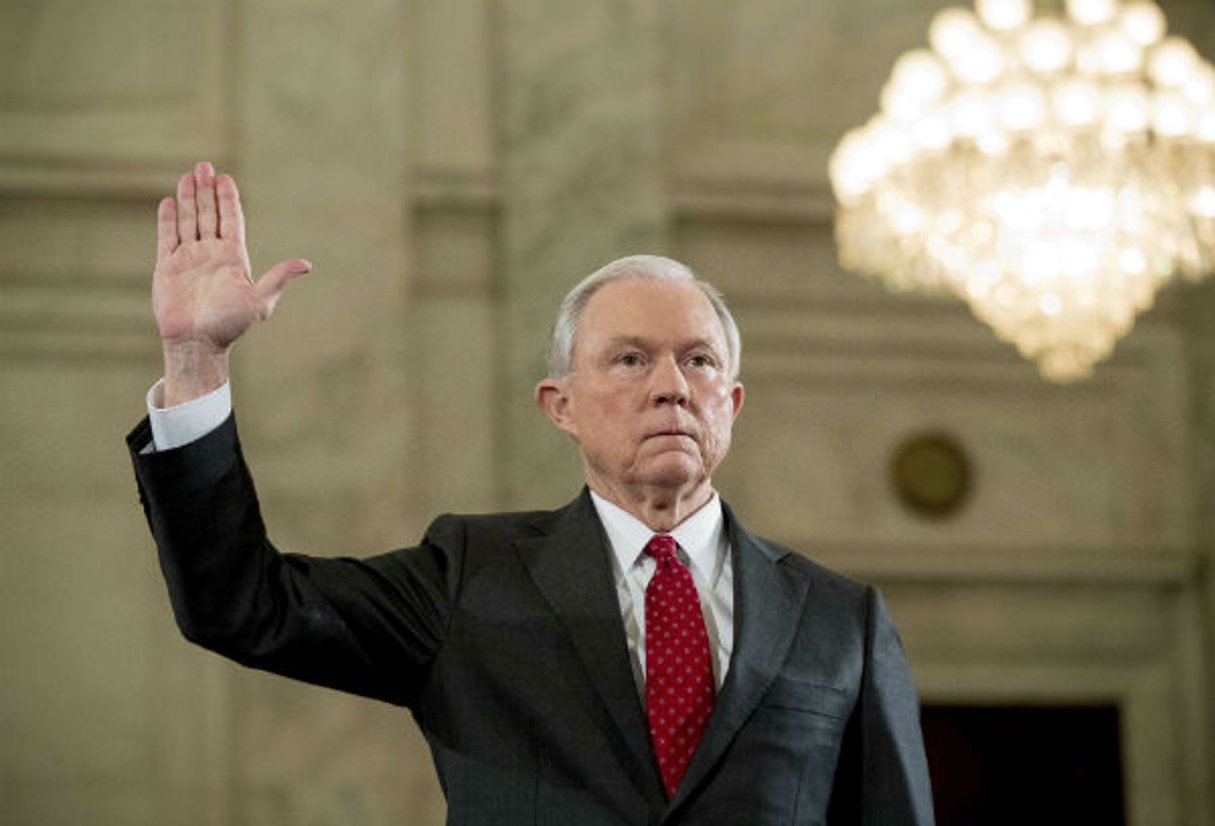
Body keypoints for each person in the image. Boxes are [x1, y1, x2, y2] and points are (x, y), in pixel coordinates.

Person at [128, 162, 935, 824]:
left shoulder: (841, 622)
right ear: (562, 406)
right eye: (628, 360)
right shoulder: (468, 577)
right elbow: (241, 605)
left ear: (730, 402)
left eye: (698, 361)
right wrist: (196, 360)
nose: (671, 387)